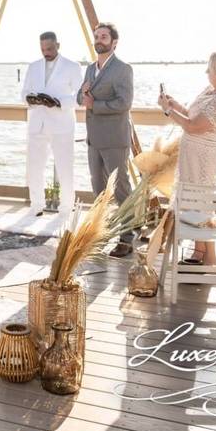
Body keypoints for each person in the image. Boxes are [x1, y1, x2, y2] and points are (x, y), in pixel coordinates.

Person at [158, 50, 216, 266]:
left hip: (204, 157)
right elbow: (193, 115)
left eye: (211, 68)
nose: (207, 72)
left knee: (201, 201)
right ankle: (199, 251)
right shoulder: (211, 91)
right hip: (191, 154)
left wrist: (168, 111)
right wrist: (175, 105)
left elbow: (193, 126)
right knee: (192, 201)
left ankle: (210, 257)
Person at [78, 22, 134, 256]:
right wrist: (84, 95)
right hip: (93, 139)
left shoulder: (123, 69)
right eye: (97, 36)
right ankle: (100, 235)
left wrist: (94, 104)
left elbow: (124, 103)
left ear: (114, 42)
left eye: (104, 36)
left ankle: (127, 237)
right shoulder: (90, 69)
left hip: (114, 138)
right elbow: (81, 98)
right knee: (99, 189)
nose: (99, 39)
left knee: (121, 189)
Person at [21, 31, 83, 217]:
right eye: (42, 49)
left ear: (58, 45)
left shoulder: (72, 66)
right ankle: (36, 206)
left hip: (62, 124)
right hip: (37, 124)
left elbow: (80, 97)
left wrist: (58, 102)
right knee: (34, 167)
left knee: (65, 168)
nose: (45, 52)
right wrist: (32, 99)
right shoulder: (33, 67)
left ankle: (65, 209)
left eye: (49, 48)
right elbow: (23, 94)